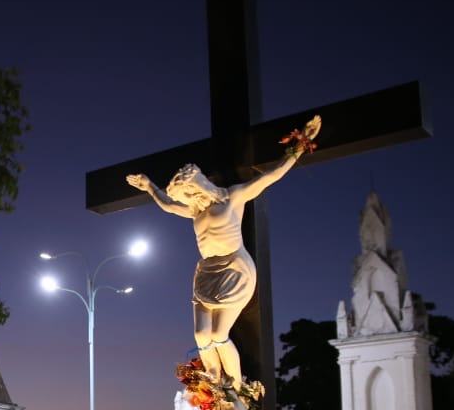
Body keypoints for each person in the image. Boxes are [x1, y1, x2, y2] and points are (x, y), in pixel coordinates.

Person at [126, 115, 321, 391]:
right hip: (206, 272)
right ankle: (216, 384)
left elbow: (270, 176)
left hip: (234, 269)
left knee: (218, 334)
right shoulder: (195, 210)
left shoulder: (233, 197)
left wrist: (300, 145)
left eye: (187, 192)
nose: (187, 199)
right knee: (200, 335)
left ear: (196, 184)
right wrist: (150, 187)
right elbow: (168, 206)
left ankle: (237, 384)